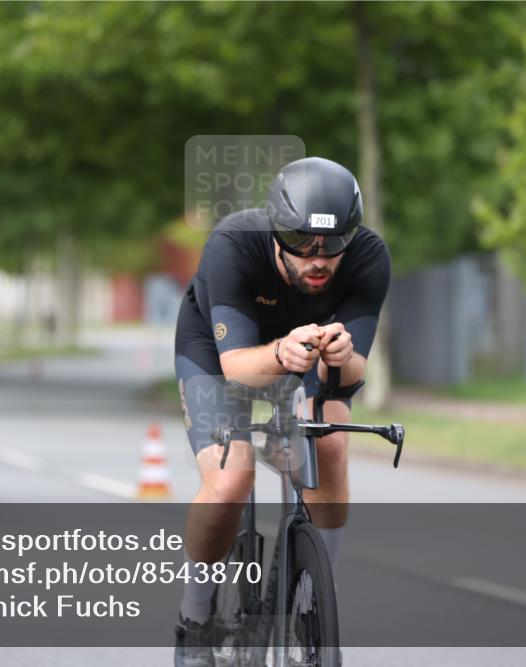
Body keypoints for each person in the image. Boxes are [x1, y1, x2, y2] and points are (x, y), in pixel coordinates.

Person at [172, 157, 391, 664]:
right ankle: (196, 615)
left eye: (333, 244)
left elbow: (355, 371)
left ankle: (317, 596)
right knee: (231, 480)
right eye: (301, 243)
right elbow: (236, 369)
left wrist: (342, 357)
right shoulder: (233, 244)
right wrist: (277, 354)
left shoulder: (369, 257)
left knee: (331, 446)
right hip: (221, 350)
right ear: (276, 232)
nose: (318, 259)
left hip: (312, 351)